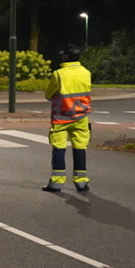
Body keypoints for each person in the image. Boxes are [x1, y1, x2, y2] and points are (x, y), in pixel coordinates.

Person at [43, 44, 92, 193]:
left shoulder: (59, 74)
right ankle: (81, 183)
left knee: (59, 148)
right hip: (81, 117)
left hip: (61, 117)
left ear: (66, 57)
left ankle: (56, 183)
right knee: (80, 148)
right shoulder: (86, 72)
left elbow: (48, 94)